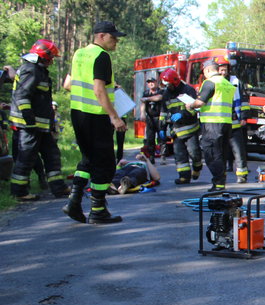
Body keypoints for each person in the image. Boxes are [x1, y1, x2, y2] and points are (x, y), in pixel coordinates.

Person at [63, 21, 128, 224]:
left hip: (78, 114)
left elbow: (67, 85)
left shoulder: (79, 54)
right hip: (96, 116)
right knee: (105, 163)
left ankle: (74, 202)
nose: (116, 40)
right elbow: (99, 90)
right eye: (113, 36)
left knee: (87, 159)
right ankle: (98, 210)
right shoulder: (102, 56)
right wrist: (114, 116)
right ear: (101, 36)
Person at [8, 39, 68, 201]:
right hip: (30, 125)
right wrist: (29, 120)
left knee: (52, 155)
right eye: (51, 57)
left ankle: (59, 188)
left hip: (41, 125)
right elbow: (22, 96)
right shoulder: (31, 70)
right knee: (26, 157)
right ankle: (19, 192)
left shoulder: (37, 70)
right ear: (44, 55)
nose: (52, 61)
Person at [190, 58, 235, 191]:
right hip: (226, 123)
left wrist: (190, 105)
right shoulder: (227, 84)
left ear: (208, 70)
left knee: (211, 154)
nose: (203, 74)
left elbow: (200, 102)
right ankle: (220, 182)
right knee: (221, 153)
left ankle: (219, 183)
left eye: (204, 71)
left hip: (212, 123)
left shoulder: (210, 82)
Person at [159, 68, 202, 184]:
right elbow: (163, 112)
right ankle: (184, 176)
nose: (168, 87)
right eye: (166, 85)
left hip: (191, 129)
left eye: (169, 85)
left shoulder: (188, 90)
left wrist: (182, 114)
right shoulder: (166, 94)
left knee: (194, 153)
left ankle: (197, 167)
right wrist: (161, 128)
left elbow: (195, 109)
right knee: (179, 155)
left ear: (175, 81)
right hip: (176, 130)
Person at [218, 57, 250, 183]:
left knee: (239, 150)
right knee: (221, 150)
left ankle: (242, 175)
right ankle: (221, 175)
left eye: (224, 70)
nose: (222, 72)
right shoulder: (214, 82)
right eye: (220, 70)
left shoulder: (236, 82)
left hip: (235, 121)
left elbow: (244, 100)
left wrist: (243, 117)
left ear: (228, 70)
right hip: (220, 122)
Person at [139, 75, 162, 162]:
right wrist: (142, 113)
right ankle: (151, 156)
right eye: (149, 83)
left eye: (152, 82)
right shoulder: (146, 93)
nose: (151, 84)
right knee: (150, 138)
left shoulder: (160, 91)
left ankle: (162, 156)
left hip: (159, 117)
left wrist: (147, 99)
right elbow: (143, 103)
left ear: (156, 83)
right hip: (150, 118)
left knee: (161, 138)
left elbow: (159, 98)